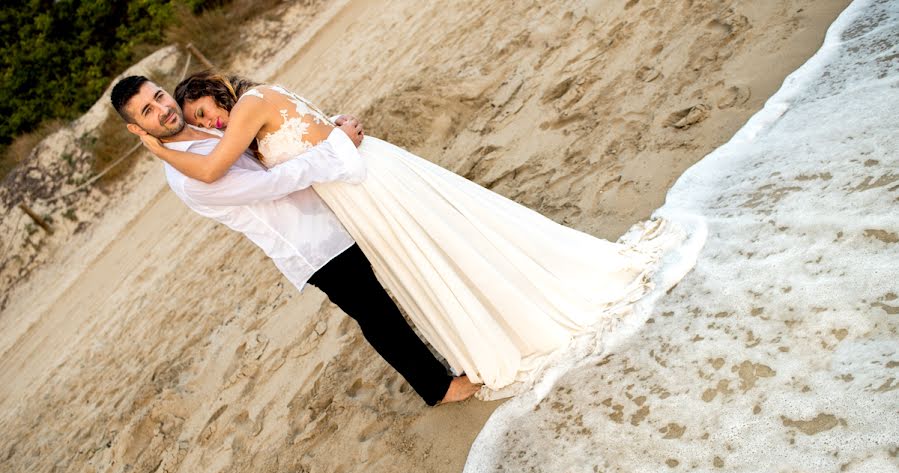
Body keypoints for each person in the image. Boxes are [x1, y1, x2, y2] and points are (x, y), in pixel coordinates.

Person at [137, 71, 683, 398]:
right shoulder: (202, 159)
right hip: (335, 210)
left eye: (203, 110)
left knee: (434, 249)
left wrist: (337, 140)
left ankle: (464, 356)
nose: (207, 122)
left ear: (217, 92)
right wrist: (337, 139)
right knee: (399, 285)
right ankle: (443, 382)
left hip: (359, 184)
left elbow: (285, 155)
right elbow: (277, 166)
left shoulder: (247, 109)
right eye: (193, 117)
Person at [110, 74, 482, 406]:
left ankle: (452, 353)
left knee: (398, 284)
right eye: (147, 110)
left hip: (330, 211)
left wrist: (324, 129)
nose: (161, 109)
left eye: (158, 96)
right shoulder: (187, 178)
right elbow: (269, 184)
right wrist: (336, 146)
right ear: (137, 129)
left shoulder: (205, 129)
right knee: (376, 313)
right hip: (308, 241)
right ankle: (437, 388)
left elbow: (269, 144)